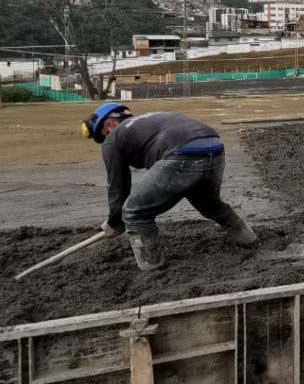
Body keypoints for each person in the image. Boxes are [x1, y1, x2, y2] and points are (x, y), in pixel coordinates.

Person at [81, 103, 257, 271]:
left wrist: (115, 221)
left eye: (103, 134)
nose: (105, 138)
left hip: (181, 155)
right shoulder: (148, 121)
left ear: (110, 124)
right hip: (214, 148)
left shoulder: (113, 139)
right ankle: (250, 240)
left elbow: (118, 185)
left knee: (134, 212)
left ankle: (152, 267)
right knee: (209, 205)